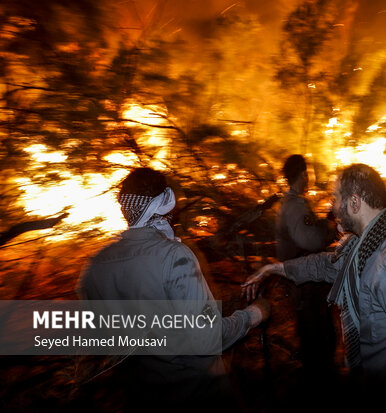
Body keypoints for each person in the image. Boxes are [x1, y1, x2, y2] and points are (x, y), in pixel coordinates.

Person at [243, 163, 386, 409]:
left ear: (354, 203)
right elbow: (327, 264)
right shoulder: (363, 248)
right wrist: (276, 268)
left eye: (335, 198)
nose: (331, 209)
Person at [78, 167, 270, 410]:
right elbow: (207, 337)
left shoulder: (95, 266)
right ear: (166, 204)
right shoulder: (174, 256)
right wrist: (254, 314)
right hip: (198, 395)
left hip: (141, 398)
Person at [275, 155, 336, 383]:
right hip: (306, 284)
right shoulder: (295, 206)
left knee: (315, 332)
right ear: (303, 175)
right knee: (317, 336)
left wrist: (323, 222)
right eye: (308, 173)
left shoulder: (292, 204)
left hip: (303, 280)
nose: (309, 177)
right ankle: (319, 383)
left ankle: (317, 377)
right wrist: (329, 226)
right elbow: (312, 241)